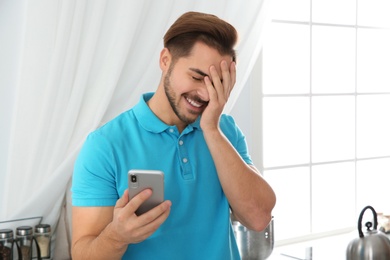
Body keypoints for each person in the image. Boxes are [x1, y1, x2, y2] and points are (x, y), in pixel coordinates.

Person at [71, 11, 276, 260]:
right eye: (197, 77)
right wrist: (117, 235)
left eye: (216, 83)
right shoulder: (105, 145)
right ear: (165, 60)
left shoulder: (225, 131)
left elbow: (258, 218)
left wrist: (211, 129)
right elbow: (82, 254)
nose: (205, 93)